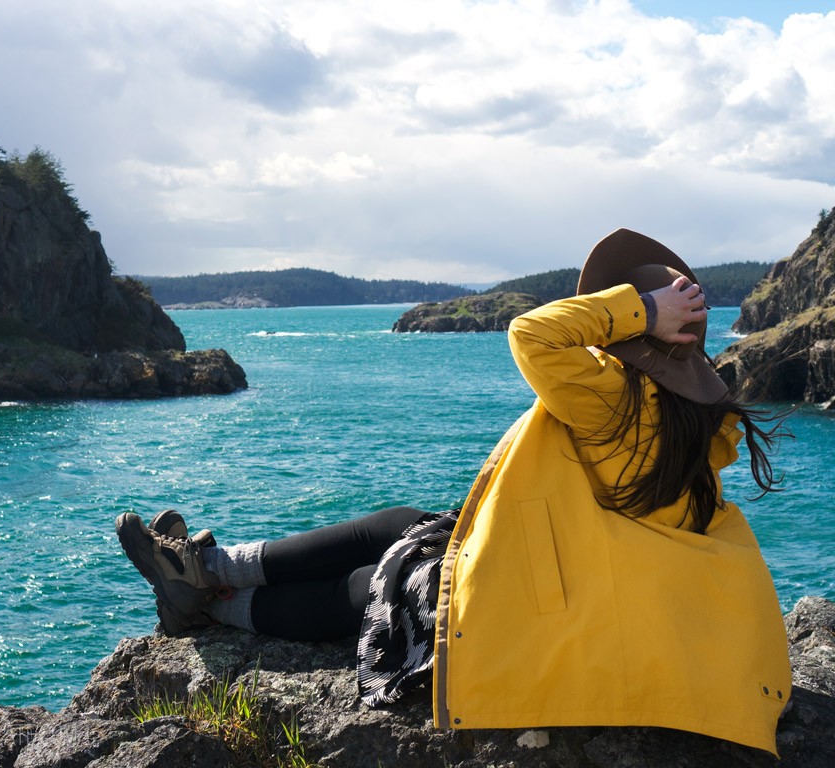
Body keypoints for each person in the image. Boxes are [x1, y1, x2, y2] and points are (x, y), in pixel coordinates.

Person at [116, 229, 792, 755]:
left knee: (382, 582)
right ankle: (209, 570)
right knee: (411, 525)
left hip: (545, 607)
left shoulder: (611, 397)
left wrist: (638, 309)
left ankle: (206, 604)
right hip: (580, 576)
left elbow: (532, 333)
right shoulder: (697, 425)